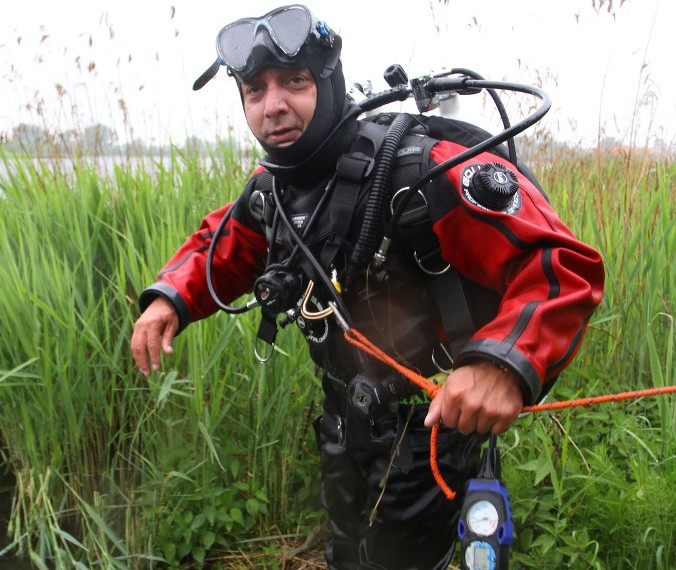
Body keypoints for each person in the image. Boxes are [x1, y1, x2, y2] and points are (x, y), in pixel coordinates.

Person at [131, 5, 604, 569]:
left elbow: (561, 264)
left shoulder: (421, 168)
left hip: (429, 428)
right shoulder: (273, 188)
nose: (273, 105)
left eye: (295, 82)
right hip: (342, 421)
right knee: (347, 553)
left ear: (327, 81)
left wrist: (500, 365)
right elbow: (224, 244)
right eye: (254, 90)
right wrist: (170, 298)